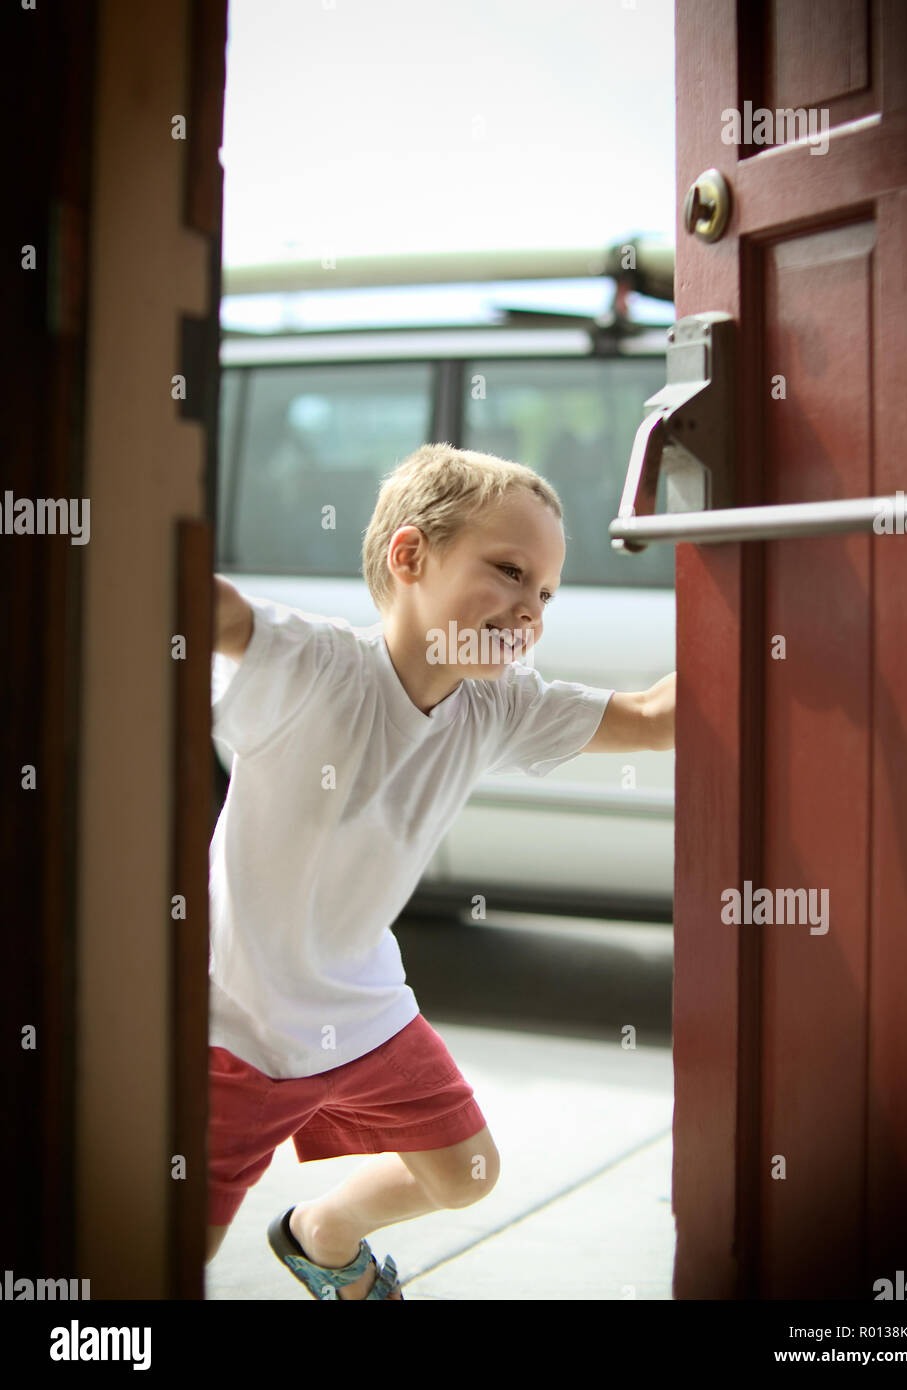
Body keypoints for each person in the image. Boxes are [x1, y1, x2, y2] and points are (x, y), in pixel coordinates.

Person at [206, 442, 677, 1300]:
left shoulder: (498, 705)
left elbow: (650, 718)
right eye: (507, 571)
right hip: (230, 1023)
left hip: (361, 1009)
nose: (529, 609)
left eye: (544, 594)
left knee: (468, 1175)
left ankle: (321, 1232)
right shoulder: (317, 666)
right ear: (411, 556)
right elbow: (220, 614)